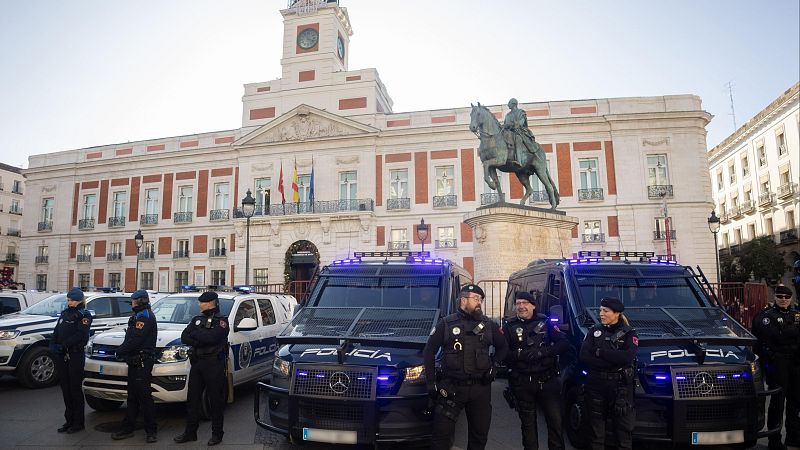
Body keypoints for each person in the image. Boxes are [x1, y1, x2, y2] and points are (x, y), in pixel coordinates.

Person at [423, 284, 508, 450]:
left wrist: (494, 366)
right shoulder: (447, 324)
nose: (479, 303)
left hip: (480, 389)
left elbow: (503, 347)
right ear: (463, 300)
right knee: (441, 437)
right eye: (475, 299)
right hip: (452, 388)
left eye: (480, 300)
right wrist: (431, 382)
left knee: (479, 436)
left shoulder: (488, 325)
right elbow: (429, 351)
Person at [503, 291, 571, 450]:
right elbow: (502, 354)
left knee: (555, 423)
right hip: (522, 383)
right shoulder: (509, 326)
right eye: (518, 303)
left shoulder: (546, 323)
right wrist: (520, 355)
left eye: (525, 303)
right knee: (528, 426)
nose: (521, 306)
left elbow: (564, 344)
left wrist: (543, 352)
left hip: (547, 382)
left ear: (533, 305)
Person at [578, 297, 638, 450]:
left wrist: (599, 352)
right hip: (596, 385)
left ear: (617, 313)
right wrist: (612, 360)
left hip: (620, 388)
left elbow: (627, 357)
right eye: (600, 310)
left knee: (623, 434)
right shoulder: (594, 330)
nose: (601, 314)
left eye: (605, 311)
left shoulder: (629, 333)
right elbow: (584, 356)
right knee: (595, 433)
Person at [174, 291, 230, 446]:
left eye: (201, 302)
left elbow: (213, 338)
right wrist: (200, 339)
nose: (199, 305)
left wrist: (196, 337)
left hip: (213, 364)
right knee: (192, 399)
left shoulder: (221, 321)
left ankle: (217, 434)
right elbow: (185, 336)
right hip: (197, 363)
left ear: (210, 303)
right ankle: (190, 432)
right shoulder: (197, 319)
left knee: (215, 401)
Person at [751, 285, 800, 450]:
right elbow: (774, 338)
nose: (784, 300)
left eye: (787, 297)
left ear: (791, 298)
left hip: (795, 362)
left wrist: (787, 334)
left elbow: (786, 336)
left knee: (795, 401)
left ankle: (793, 436)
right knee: (777, 401)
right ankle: (774, 439)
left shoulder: (796, 314)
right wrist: (790, 334)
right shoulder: (766, 316)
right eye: (780, 297)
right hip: (777, 362)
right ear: (775, 298)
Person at [112, 289, 158, 443]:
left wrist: (120, 351)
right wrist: (124, 352)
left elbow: (136, 339)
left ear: (141, 301)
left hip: (143, 362)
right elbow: (129, 338)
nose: (132, 303)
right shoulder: (136, 316)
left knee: (145, 397)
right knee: (132, 397)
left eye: (134, 300)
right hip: (134, 361)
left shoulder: (145, 317)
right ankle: (127, 428)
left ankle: (151, 431)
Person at [51, 287, 93, 434]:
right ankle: (68, 420)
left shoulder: (84, 315)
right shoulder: (65, 313)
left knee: (75, 389)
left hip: (75, 355)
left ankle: (78, 422)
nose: (70, 302)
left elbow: (80, 335)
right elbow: (57, 330)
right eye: (68, 300)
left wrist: (64, 345)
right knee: (66, 389)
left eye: (72, 300)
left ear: (79, 300)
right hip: (63, 355)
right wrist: (54, 344)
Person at [503, 98, 539, 167]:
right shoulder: (507, 115)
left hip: (519, 132)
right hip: (509, 132)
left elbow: (521, 122)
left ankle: (519, 161)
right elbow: (506, 124)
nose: (508, 105)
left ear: (513, 104)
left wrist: (513, 125)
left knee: (518, 139)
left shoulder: (521, 112)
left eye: (509, 103)